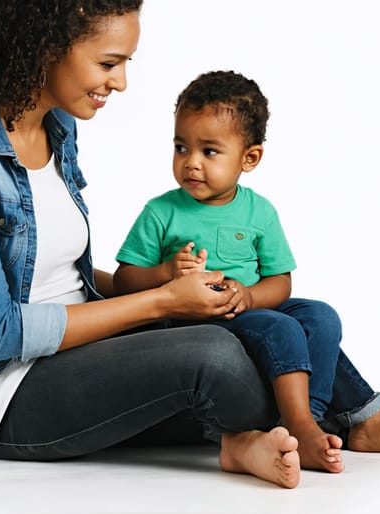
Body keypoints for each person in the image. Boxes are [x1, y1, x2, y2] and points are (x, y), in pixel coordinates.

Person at [0, 0, 380, 491]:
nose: (120, 82)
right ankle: (297, 425)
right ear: (46, 44)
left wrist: (174, 287)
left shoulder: (54, 127)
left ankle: (360, 418)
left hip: (87, 336)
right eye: (109, 62)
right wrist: (164, 302)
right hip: (0, 393)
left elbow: (53, 271)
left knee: (281, 318)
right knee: (219, 357)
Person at [113, 70, 348, 473]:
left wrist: (251, 295)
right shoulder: (161, 212)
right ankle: (301, 427)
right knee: (283, 330)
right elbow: (123, 282)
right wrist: (165, 273)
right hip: (197, 322)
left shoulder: (260, 212)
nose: (191, 163)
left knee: (321, 316)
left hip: (248, 308)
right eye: (181, 147)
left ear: (249, 158)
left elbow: (280, 282)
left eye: (209, 151)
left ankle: (305, 419)